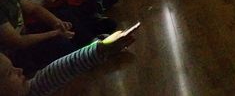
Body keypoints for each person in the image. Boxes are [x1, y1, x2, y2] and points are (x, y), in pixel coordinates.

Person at [0, 26, 137, 96]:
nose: (20, 70)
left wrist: (100, 49)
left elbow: (58, 70)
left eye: (13, 67)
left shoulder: (29, 90)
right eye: (9, 73)